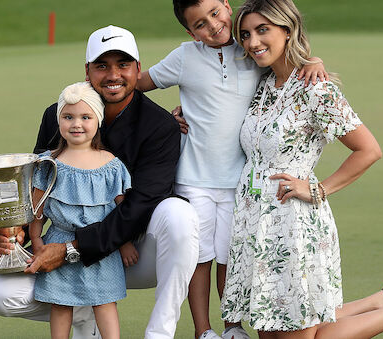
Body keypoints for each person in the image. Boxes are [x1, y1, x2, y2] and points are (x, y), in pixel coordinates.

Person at [219, 1, 383, 339]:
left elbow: (368, 150)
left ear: (288, 30)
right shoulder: (261, 84)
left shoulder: (317, 89)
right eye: (246, 34)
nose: (252, 42)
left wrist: (318, 188)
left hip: (293, 224)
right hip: (255, 222)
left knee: (306, 333)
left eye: (263, 30)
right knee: (279, 326)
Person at [0, 26, 200, 339]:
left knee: (180, 215)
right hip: (67, 244)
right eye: (102, 66)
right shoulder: (58, 115)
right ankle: (84, 312)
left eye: (123, 65)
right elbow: (37, 190)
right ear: (87, 72)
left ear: (138, 69)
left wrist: (71, 249)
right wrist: (13, 233)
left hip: (135, 251)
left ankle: (159, 333)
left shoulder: (159, 125)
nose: (113, 75)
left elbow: (138, 209)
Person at [135, 1, 328, 338]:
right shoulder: (183, 57)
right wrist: (166, 122)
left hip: (240, 179)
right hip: (193, 178)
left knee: (231, 255)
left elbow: (285, 59)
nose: (212, 25)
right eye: (199, 24)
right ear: (189, 32)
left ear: (226, 5)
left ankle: (232, 328)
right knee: (199, 257)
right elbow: (136, 84)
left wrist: (313, 60)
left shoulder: (250, 50)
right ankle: (202, 330)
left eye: (215, 12)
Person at [28, 81, 131, 339]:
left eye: (86, 117)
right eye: (68, 117)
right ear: (59, 120)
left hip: (102, 248)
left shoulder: (111, 164)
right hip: (58, 243)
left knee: (105, 301)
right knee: (61, 303)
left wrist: (125, 243)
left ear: (97, 120)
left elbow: (123, 212)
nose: (77, 124)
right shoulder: (48, 164)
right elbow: (36, 211)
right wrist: (37, 242)